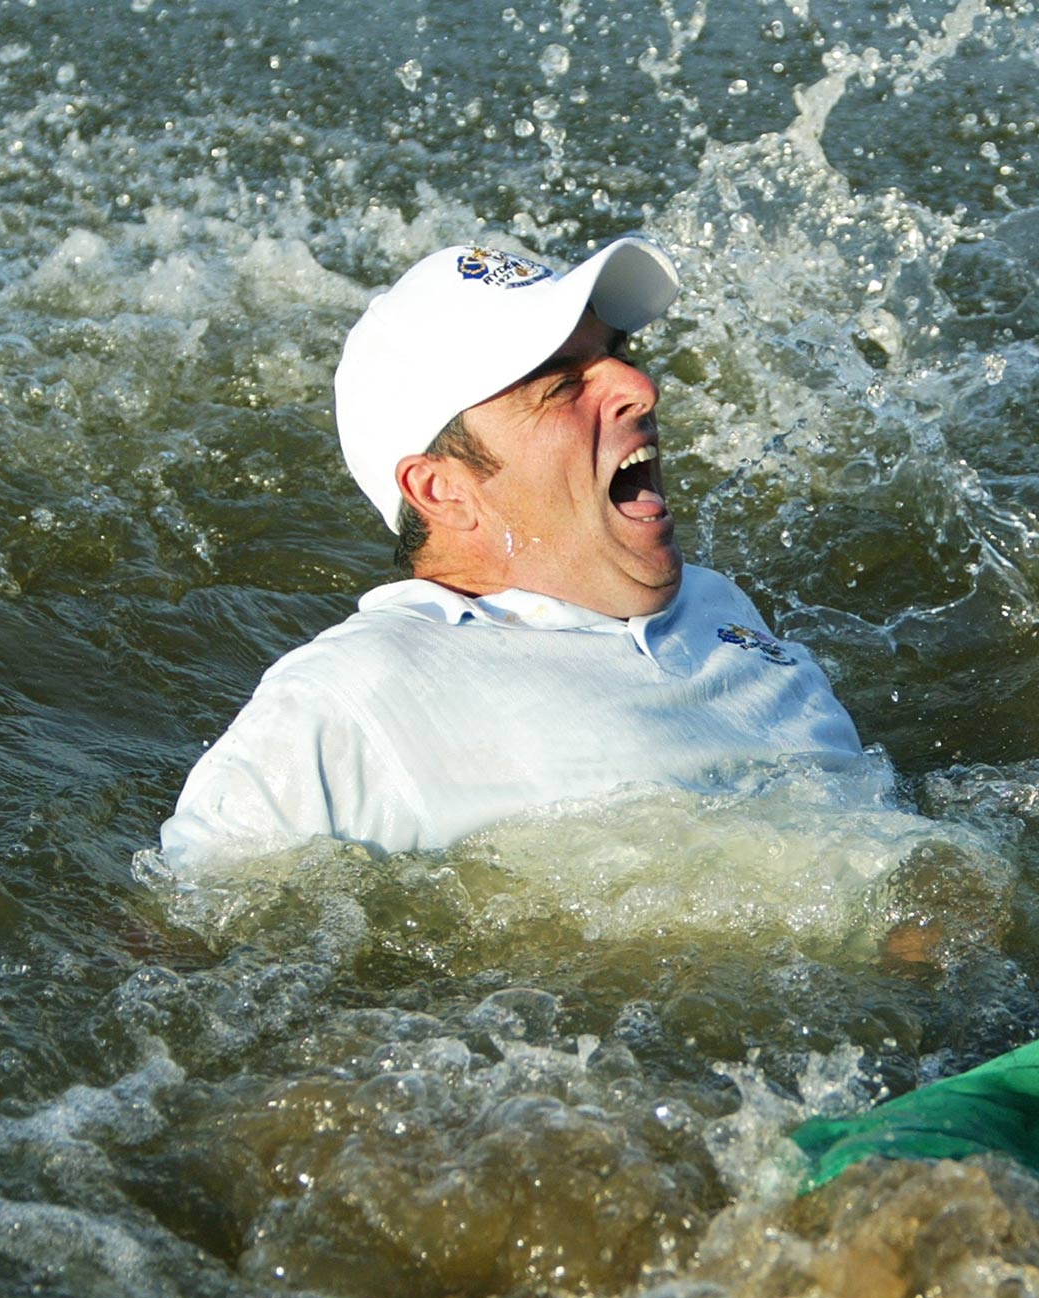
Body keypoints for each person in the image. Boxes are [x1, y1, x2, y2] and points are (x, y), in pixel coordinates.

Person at [160, 236, 864, 871]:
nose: (641, 388)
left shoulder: (715, 605)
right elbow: (182, 943)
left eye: (617, 357)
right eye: (561, 385)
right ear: (443, 491)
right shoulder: (354, 694)